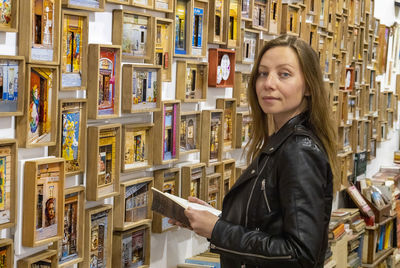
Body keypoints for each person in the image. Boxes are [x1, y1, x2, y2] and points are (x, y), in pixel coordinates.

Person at [170, 34, 339, 267]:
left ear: (308, 85)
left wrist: (218, 229)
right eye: (263, 73)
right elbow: (268, 223)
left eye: (284, 74)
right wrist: (214, 221)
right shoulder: (281, 141)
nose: (269, 83)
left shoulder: (299, 149)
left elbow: (300, 254)